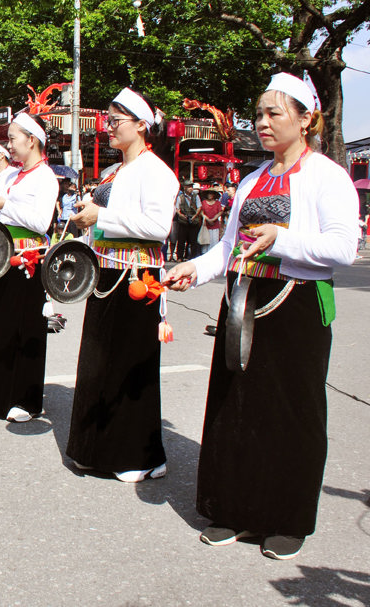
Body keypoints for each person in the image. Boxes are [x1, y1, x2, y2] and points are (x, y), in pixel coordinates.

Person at [165, 73, 358, 560]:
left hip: (297, 305)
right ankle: (232, 508)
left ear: (306, 119)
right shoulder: (251, 179)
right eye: (259, 114)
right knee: (235, 405)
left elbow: (343, 247)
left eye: (275, 113)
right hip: (243, 297)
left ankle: (286, 518)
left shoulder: (326, 176)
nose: (263, 122)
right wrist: (194, 267)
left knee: (291, 413)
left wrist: (283, 237)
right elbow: (230, 247)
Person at [67, 87, 178, 482]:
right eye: (107, 120)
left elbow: (157, 227)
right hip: (105, 273)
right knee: (98, 365)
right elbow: (97, 224)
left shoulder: (158, 172)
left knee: (132, 368)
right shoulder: (114, 172)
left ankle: (142, 455)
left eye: (116, 121)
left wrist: (102, 215)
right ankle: (96, 449)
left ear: (142, 125)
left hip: (137, 277)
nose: (108, 127)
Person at [0, 113, 57, 422]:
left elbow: (41, 222)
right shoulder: (12, 176)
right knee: (1, 323)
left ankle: (26, 399)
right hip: (3, 256)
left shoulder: (45, 176)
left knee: (26, 328)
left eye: (13, 138)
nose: (9, 144)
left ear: (32, 140)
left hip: (29, 259)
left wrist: (5, 206)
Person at [174, 180, 201, 260]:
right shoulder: (180, 197)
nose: (191, 188)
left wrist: (195, 215)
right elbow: (177, 209)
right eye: (189, 187)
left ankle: (192, 257)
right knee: (181, 240)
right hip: (183, 221)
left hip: (193, 220)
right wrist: (181, 215)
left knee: (193, 241)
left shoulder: (196, 196)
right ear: (185, 188)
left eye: (191, 187)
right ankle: (180, 257)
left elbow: (199, 207)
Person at [197, 188, 223, 253]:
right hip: (206, 225)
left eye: (211, 193)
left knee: (214, 240)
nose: (210, 195)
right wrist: (208, 219)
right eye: (209, 193)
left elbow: (220, 212)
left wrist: (213, 219)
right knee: (206, 240)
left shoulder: (217, 203)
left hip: (215, 224)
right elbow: (201, 212)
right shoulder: (203, 202)